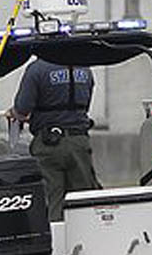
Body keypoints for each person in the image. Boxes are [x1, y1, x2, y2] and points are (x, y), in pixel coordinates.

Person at [7, 58, 101, 221]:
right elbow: (82, 107)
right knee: (84, 199)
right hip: (79, 141)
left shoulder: (36, 70)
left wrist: (13, 114)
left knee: (52, 199)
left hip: (48, 145)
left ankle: (57, 241)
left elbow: (22, 109)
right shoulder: (85, 69)